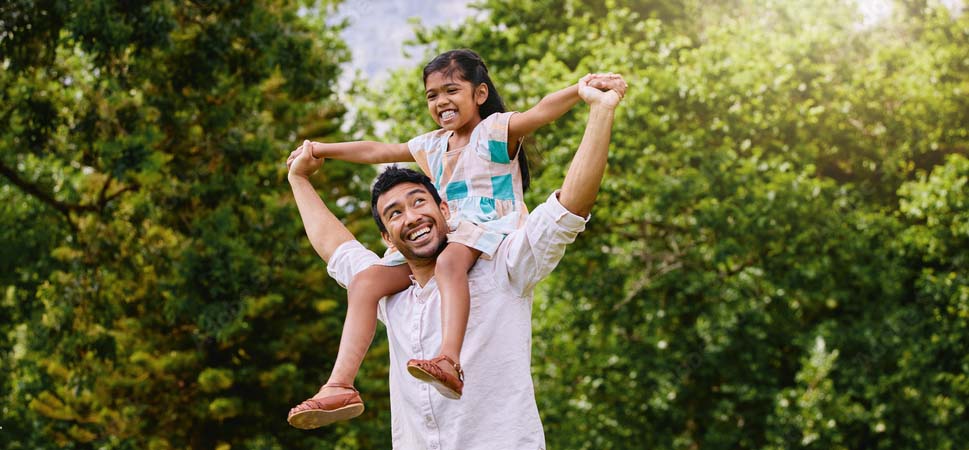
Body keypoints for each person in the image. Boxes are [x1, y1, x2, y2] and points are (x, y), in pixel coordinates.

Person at [287, 48, 625, 429]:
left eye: (451, 90)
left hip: (487, 229)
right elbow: (377, 151)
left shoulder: (493, 132)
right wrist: (319, 149)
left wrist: (580, 91)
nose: (441, 102)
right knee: (366, 282)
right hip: (453, 233)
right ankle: (340, 385)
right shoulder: (433, 145)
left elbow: (540, 112)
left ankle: (448, 358)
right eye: (432, 95)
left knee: (448, 263)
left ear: (479, 93)